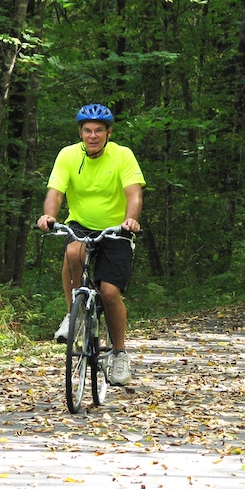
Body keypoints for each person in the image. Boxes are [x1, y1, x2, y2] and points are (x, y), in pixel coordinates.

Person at [36, 104, 145, 386]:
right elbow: (55, 192)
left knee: (109, 292)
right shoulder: (68, 155)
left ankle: (119, 353)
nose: (93, 135)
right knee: (73, 250)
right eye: (87, 130)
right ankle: (75, 314)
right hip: (81, 223)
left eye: (99, 130)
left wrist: (130, 220)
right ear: (80, 133)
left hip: (116, 227)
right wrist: (49, 215)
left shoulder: (122, 155)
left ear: (109, 132)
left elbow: (133, 195)